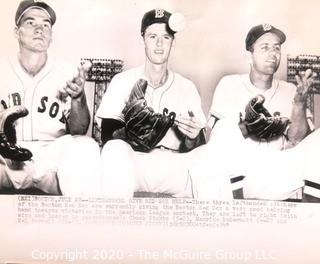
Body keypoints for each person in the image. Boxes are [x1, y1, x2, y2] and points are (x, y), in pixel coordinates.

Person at [97, 9, 207, 198]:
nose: (159, 43)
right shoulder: (122, 80)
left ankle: (218, 226)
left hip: (174, 164)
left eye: (165, 37)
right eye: (152, 36)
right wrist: (127, 133)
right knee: (114, 150)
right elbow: (107, 136)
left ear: (173, 42)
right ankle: (114, 226)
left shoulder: (187, 87)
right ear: (143, 39)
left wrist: (191, 138)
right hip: (135, 163)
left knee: (209, 154)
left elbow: (196, 146)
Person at [202, 23, 318, 201]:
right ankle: (236, 210)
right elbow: (215, 139)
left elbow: (299, 141)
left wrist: (300, 102)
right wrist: (246, 128)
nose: (273, 54)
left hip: (279, 173)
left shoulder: (290, 90)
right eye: (265, 48)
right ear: (250, 54)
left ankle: (312, 217)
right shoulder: (229, 84)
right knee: (225, 127)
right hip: (240, 176)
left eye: (277, 48)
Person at [0, 0, 101, 196]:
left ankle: (82, 224)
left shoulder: (67, 71)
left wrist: (79, 97)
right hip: (4, 157)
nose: (40, 29)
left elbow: (79, 129)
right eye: (30, 22)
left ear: (51, 35)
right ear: (16, 31)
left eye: (46, 24)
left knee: (87, 147)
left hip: (49, 155)